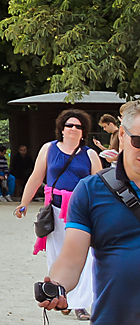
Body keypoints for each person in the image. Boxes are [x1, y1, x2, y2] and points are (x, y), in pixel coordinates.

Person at [39, 99, 140, 322]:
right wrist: (57, 287)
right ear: (122, 135)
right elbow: (71, 259)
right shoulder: (91, 191)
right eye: (139, 141)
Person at [16, 106, 103, 318]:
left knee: (85, 258)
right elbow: (37, 177)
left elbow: (100, 184)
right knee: (57, 255)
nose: (73, 129)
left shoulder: (90, 154)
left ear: (83, 132)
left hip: (82, 210)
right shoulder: (49, 149)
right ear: (61, 129)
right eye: (69, 125)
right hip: (55, 208)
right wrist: (24, 203)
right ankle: (63, 298)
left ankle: (80, 304)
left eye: (78, 126)